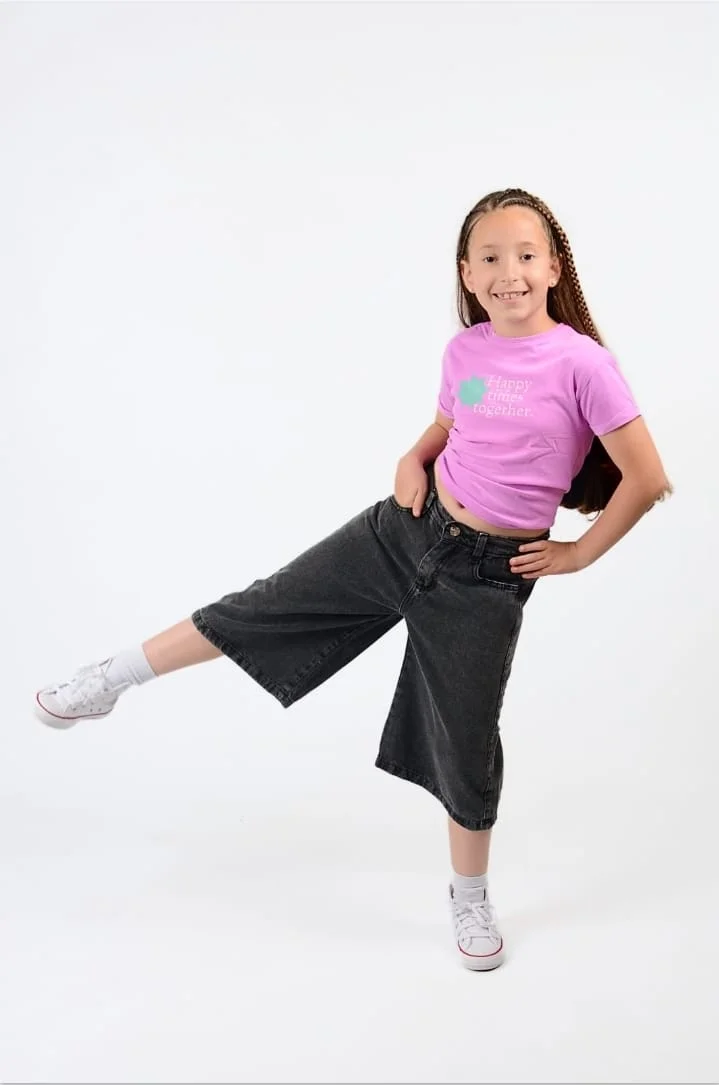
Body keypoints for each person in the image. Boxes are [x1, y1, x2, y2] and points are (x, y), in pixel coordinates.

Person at [33, 188, 671, 971]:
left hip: (486, 579)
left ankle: (469, 895)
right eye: (490, 258)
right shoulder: (466, 352)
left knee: (466, 739)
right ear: (467, 274)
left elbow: (646, 477)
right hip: (404, 530)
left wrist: (577, 553)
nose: (509, 272)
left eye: (525, 256)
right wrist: (413, 456)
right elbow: (452, 423)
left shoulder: (582, 364)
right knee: (267, 605)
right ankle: (111, 678)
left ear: (552, 268)